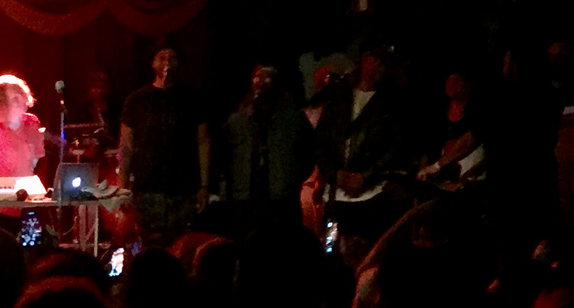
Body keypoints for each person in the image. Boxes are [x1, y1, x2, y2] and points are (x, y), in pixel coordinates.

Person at [315, 46, 411, 259]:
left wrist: (365, 176)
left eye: (382, 63)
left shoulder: (390, 103)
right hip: (336, 195)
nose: (377, 67)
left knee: (364, 252)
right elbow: (321, 141)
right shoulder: (339, 97)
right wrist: (334, 174)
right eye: (374, 60)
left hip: (370, 197)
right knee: (331, 250)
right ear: (365, 60)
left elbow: (396, 148)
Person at [120, 47, 210, 250]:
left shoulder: (193, 99)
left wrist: (204, 186)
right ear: (153, 63)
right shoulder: (137, 100)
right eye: (162, 57)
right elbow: (126, 146)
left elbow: (203, 141)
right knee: (149, 246)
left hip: (183, 189)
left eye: (173, 57)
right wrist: (123, 189)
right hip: (147, 189)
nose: (167, 61)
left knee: (181, 248)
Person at [219, 64, 315, 238]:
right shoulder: (237, 120)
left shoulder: (294, 119)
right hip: (245, 200)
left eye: (267, 77)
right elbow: (226, 158)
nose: (261, 83)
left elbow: (309, 153)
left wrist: (290, 179)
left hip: (281, 200)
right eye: (257, 77)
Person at [0, 74, 45, 182]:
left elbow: (36, 155)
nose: (17, 104)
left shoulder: (32, 122)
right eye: (13, 100)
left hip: (23, 188)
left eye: (18, 98)